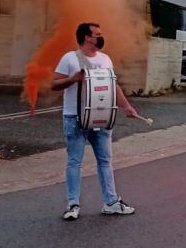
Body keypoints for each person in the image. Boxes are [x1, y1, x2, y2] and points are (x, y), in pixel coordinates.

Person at [52, 22, 139, 221]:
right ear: (86, 37)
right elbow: (54, 84)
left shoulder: (106, 59)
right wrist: (73, 79)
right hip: (75, 116)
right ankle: (73, 204)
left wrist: (126, 106)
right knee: (75, 161)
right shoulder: (70, 58)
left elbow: (113, 85)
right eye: (96, 34)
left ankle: (111, 202)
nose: (100, 37)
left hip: (101, 115)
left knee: (105, 161)